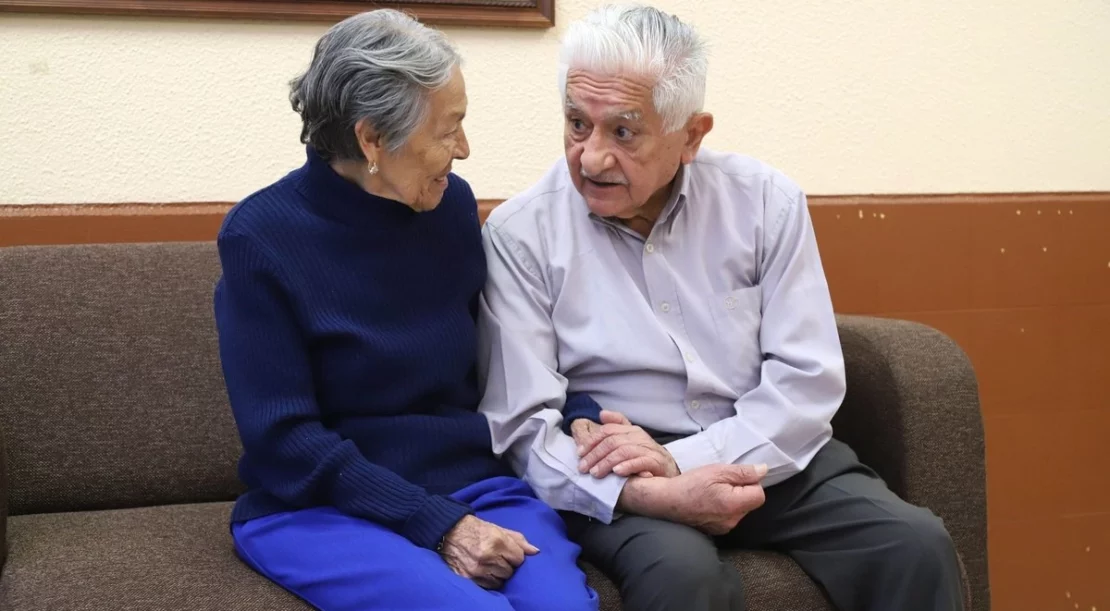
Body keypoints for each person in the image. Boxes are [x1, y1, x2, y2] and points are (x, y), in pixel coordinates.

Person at [476, 4, 964, 611]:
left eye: (623, 132)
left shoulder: (764, 203)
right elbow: (523, 429)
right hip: (620, 471)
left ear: (691, 136)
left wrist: (680, 461)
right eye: (577, 124)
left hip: (762, 446)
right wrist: (652, 486)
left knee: (914, 545)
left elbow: (805, 382)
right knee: (683, 577)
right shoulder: (521, 233)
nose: (593, 157)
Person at [213, 10, 598, 611]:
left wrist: (578, 411)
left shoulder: (450, 207)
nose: (464, 149)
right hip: (321, 507)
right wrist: (438, 524)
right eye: (448, 130)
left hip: (474, 484)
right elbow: (283, 441)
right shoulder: (260, 238)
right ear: (372, 140)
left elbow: (506, 345)